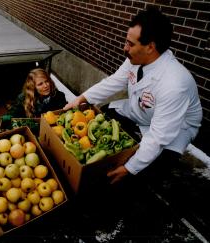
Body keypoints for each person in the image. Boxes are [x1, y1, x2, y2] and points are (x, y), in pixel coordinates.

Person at [64, 7, 202, 186]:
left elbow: (159, 136)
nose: (124, 48)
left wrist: (129, 168)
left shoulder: (175, 84)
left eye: (130, 43)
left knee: (146, 173)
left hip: (176, 127)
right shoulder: (136, 59)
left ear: (150, 47)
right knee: (104, 115)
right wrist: (81, 99)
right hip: (144, 110)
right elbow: (114, 81)